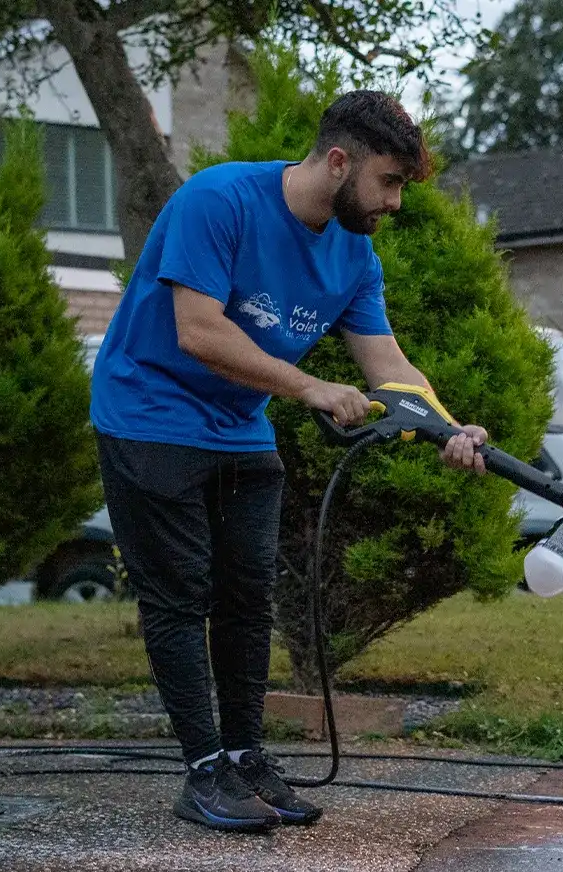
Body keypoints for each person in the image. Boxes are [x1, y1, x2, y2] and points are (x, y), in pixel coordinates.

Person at [89, 90, 489, 833]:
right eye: (391, 180)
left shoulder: (353, 251)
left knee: (247, 596)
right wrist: (307, 387)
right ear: (339, 162)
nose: (396, 201)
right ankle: (203, 772)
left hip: (238, 428)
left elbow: (386, 361)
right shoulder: (219, 201)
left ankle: (244, 757)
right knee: (179, 595)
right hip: (148, 412)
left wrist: (447, 430)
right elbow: (198, 331)